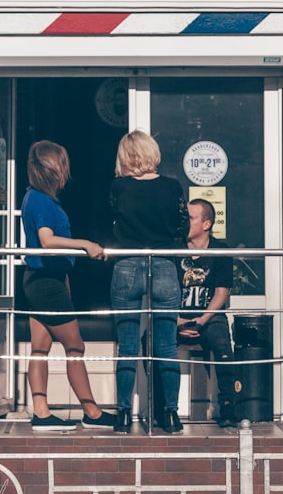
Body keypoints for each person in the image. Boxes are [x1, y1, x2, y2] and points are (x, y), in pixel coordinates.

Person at [21, 140, 116, 431]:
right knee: (75, 346)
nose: (66, 172)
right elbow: (47, 240)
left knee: (40, 348)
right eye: (63, 166)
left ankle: (41, 412)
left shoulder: (33, 198)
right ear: (53, 169)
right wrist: (85, 244)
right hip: (46, 283)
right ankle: (92, 412)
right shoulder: (42, 201)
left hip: (40, 280)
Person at [109, 130, 189, 435]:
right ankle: (170, 415)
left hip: (127, 264)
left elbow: (112, 220)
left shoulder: (119, 186)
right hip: (165, 265)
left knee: (127, 346)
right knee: (167, 345)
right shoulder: (171, 187)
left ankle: (122, 415)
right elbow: (183, 225)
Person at [177, 198, 238, 428]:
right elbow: (164, 292)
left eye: (190, 218)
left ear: (206, 224)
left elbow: (221, 293)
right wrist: (177, 320)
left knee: (222, 344)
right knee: (151, 342)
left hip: (209, 317)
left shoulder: (220, 250)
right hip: (177, 317)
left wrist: (201, 320)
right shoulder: (175, 249)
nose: (185, 223)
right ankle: (163, 408)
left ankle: (229, 408)